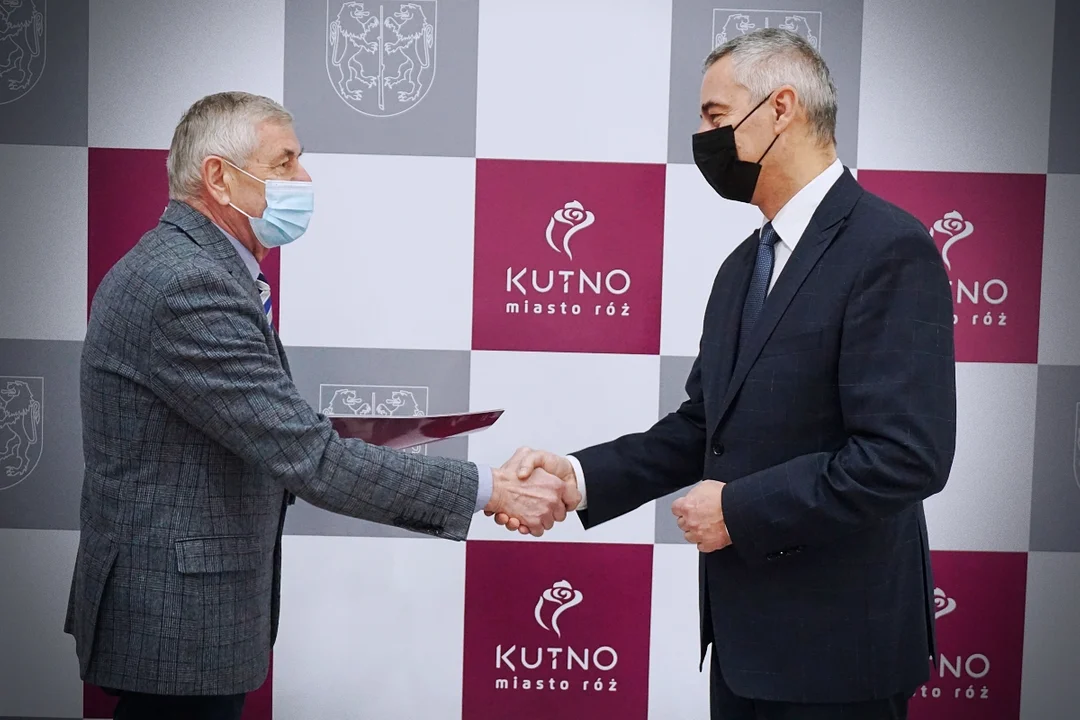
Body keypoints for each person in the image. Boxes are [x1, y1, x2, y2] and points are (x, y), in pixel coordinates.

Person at [64, 91, 580, 720]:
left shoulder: (195, 267)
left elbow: (262, 429)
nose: (304, 179)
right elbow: (310, 459)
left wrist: (348, 437)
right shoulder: (187, 285)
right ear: (219, 177)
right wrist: (490, 489)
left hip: (182, 611)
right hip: (175, 615)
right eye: (284, 162)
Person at [497, 28, 956, 719]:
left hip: (841, 654)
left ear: (782, 109)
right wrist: (578, 478)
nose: (704, 139)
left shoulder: (889, 248)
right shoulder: (744, 265)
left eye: (716, 117)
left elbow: (905, 456)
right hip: (744, 646)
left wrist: (739, 510)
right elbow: (705, 427)